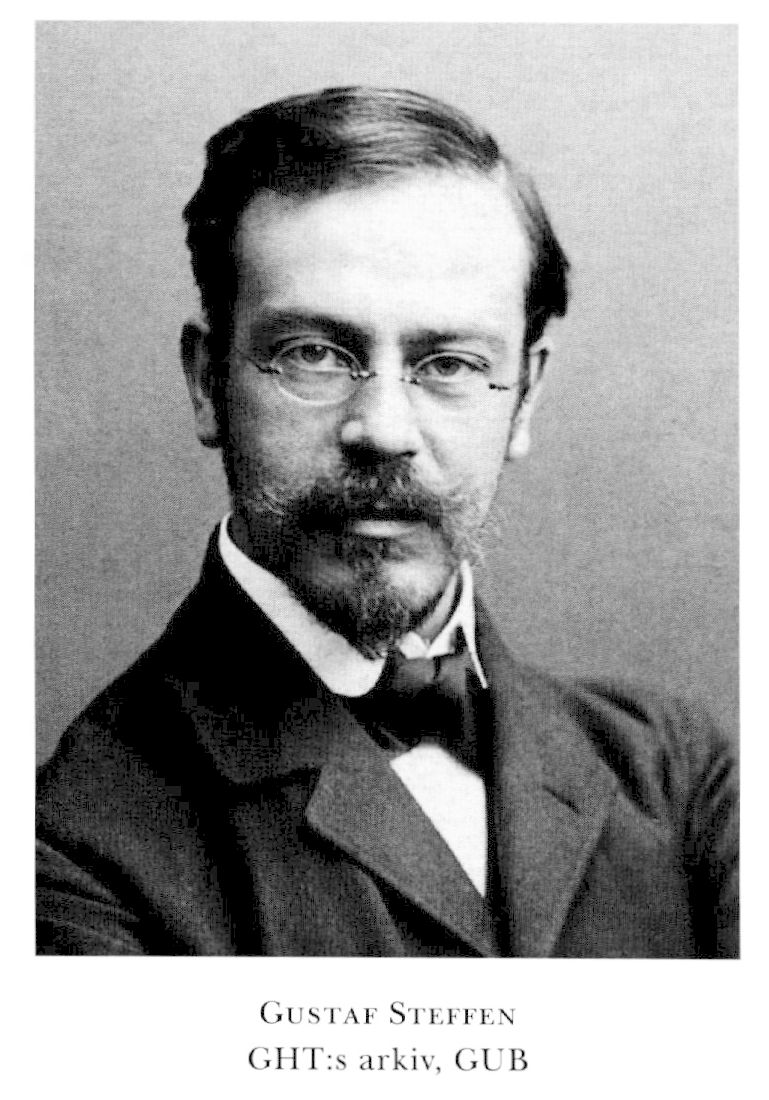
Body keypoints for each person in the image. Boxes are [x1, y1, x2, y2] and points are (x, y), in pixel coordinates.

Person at [36, 86, 737, 957]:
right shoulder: (66, 849)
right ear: (207, 381)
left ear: (524, 397)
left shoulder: (678, 776)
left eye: (449, 363)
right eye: (313, 355)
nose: (383, 430)